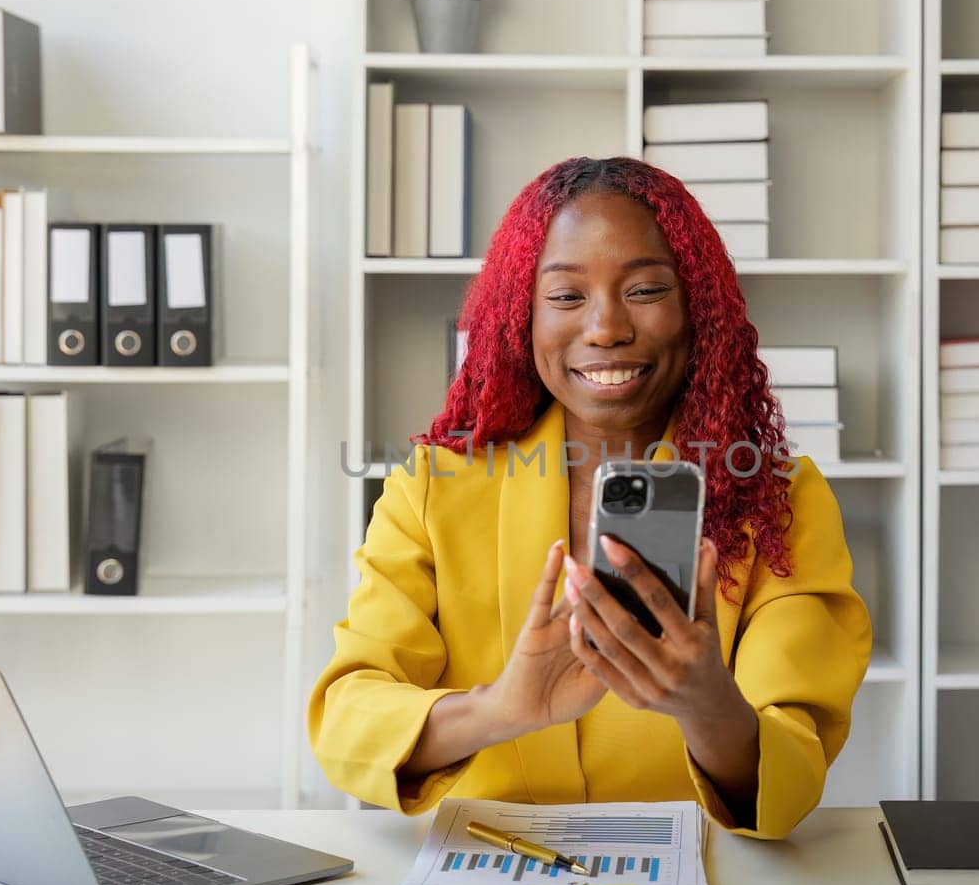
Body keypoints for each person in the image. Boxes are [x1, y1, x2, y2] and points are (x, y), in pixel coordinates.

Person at [308, 156, 871, 839]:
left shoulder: (779, 500)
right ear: (522, 316)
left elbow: (792, 776)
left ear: (699, 309)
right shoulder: (434, 486)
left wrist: (706, 703)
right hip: (486, 876)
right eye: (567, 296)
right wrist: (499, 709)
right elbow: (345, 720)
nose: (605, 327)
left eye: (645, 290)